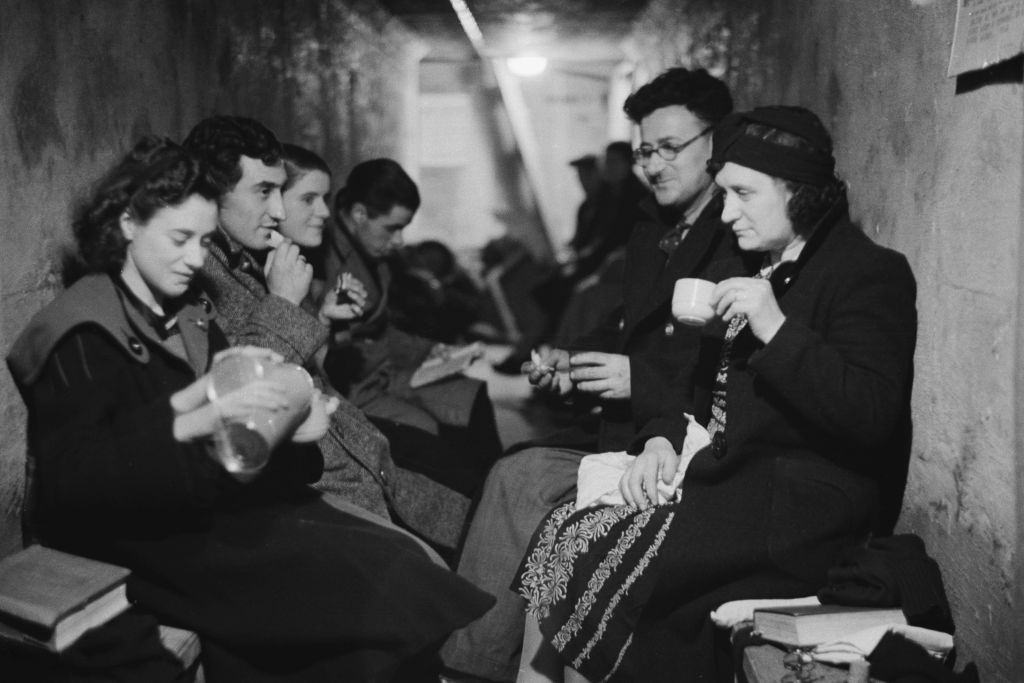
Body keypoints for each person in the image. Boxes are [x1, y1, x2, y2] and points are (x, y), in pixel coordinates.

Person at [5, 136, 494, 682]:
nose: (196, 259)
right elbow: (83, 489)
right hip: (139, 539)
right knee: (368, 580)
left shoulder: (183, 310)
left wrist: (295, 432)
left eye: (204, 241)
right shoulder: (79, 328)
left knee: (383, 567)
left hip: (201, 505)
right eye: (180, 239)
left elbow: (235, 425)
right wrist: (204, 417)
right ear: (126, 225)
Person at [512, 105, 918, 682]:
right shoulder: (756, 263)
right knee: (563, 530)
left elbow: (871, 417)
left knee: (601, 557)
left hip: (794, 512)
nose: (727, 213)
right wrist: (660, 441)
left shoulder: (867, 272)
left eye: (744, 194)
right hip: (728, 486)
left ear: (799, 191)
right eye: (724, 194)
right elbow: (696, 385)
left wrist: (775, 328)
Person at [441, 67, 749, 682]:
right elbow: (622, 325)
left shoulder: (737, 236)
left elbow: (723, 376)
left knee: (525, 479)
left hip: (682, 447)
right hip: (636, 430)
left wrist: (639, 380)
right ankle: (470, 666)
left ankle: (473, 668)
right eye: (643, 152)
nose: (654, 165)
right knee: (513, 471)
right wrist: (569, 362)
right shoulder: (656, 229)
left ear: (715, 144)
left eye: (670, 148)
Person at [185, 116, 471, 552]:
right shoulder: (197, 275)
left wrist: (318, 317)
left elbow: (295, 363)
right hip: (314, 478)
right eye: (265, 192)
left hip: (349, 454)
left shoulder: (244, 260)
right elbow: (239, 403)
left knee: (470, 507)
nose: (279, 211)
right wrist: (284, 302)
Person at [322, 158, 504, 484]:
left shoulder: (369, 252)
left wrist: (436, 351)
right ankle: (481, 500)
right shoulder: (329, 261)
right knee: (436, 433)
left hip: (385, 371)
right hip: (358, 390)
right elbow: (342, 349)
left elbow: (377, 332)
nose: (400, 241)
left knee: (471, 394)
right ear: (360, 213)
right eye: (392, 228)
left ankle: (494, 494)